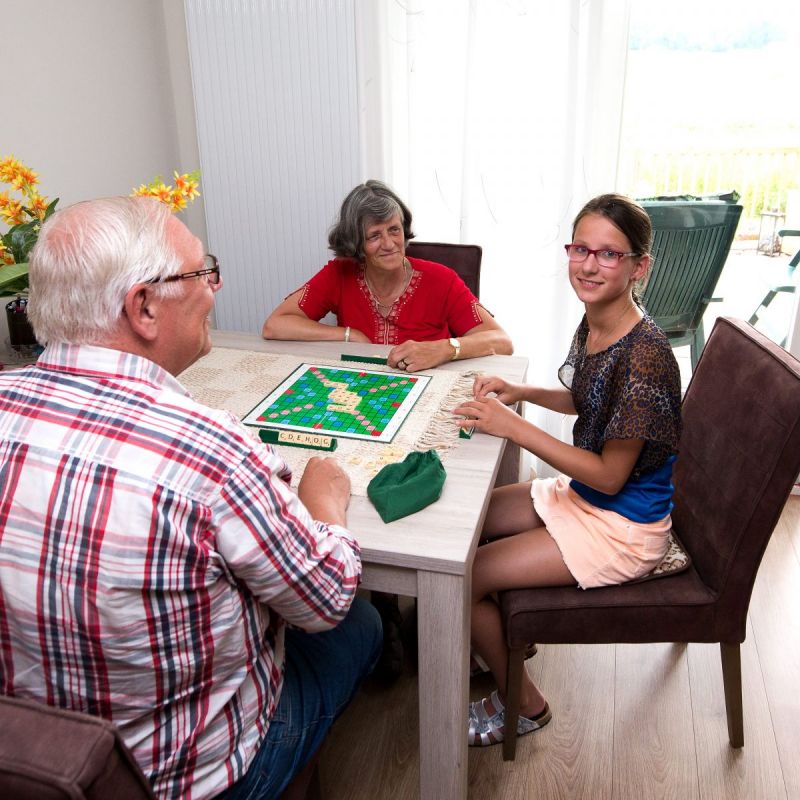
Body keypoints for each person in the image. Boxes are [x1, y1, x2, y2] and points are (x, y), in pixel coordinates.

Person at [0, 196, 382, 800]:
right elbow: (327, 598)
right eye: (200, 272)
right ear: (143, 307)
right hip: (198, 780)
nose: (214, 287)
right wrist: (325, 501)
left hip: (34, 762)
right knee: (361, 621)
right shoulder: (211, 453)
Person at [453, 193, 682, 747]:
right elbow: (588, 397)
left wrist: (514, 426)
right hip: (589, 496)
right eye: (581, 248)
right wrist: (521, 392)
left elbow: (609, 476)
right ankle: (506, 641)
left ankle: (525, 705)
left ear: (639, 267)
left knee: (467, 577)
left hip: (621, 526)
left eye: (608, 254)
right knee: (472, 521)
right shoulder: (600, 320)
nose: (588, 263)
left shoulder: (645, 355)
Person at [261, 179, 513, 372]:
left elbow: (502, 341)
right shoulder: (339, 274)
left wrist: (443, 349)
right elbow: (275, 325)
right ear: (356, 243)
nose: (389, 243)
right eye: (374, 235)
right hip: (359, 392)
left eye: (394, 230)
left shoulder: (442, 280)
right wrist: (349, 335)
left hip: (429, 392)